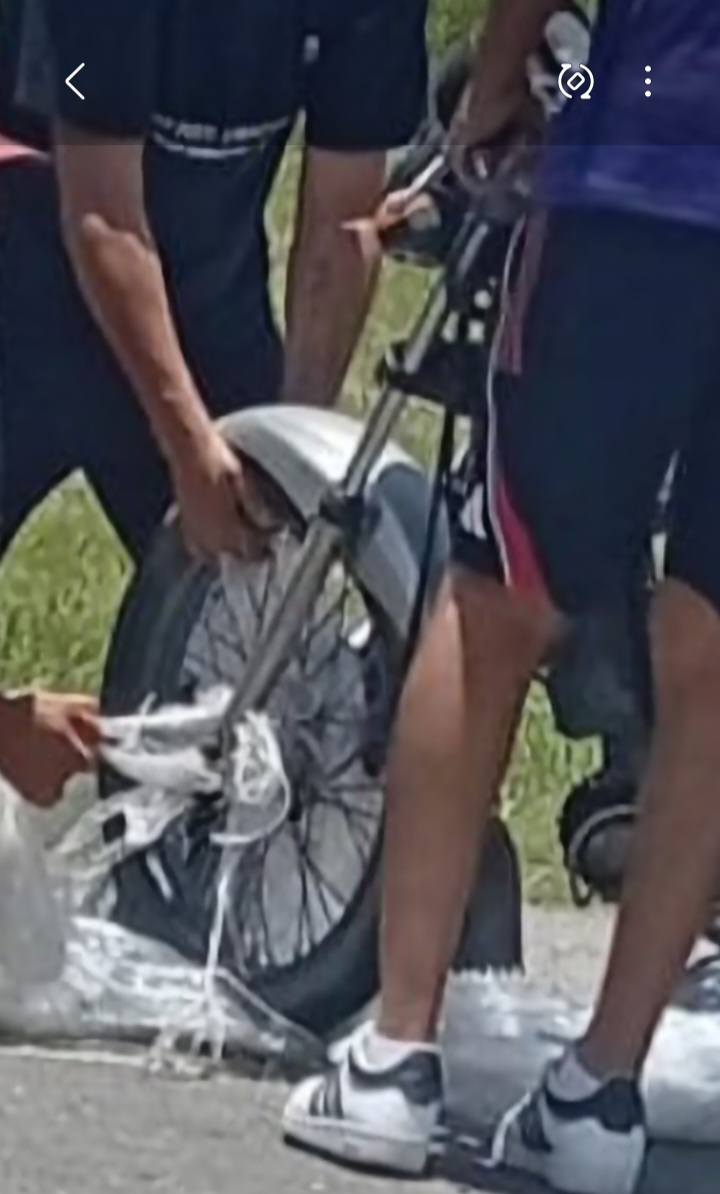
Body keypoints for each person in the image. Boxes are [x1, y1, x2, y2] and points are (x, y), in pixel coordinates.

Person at [282, 2, 720, 1192]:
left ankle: (395, 1057)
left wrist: (493, 97)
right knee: (711, 658)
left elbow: (552, 49)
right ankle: (603, 1091)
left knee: (493, 603)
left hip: (642, 162)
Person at [0, 0, 428, 559]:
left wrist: (291, 451)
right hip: (23, 287)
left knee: (260, 555)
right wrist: (186, 442)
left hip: (209, 309)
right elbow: (103, 214)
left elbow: (341, 231)